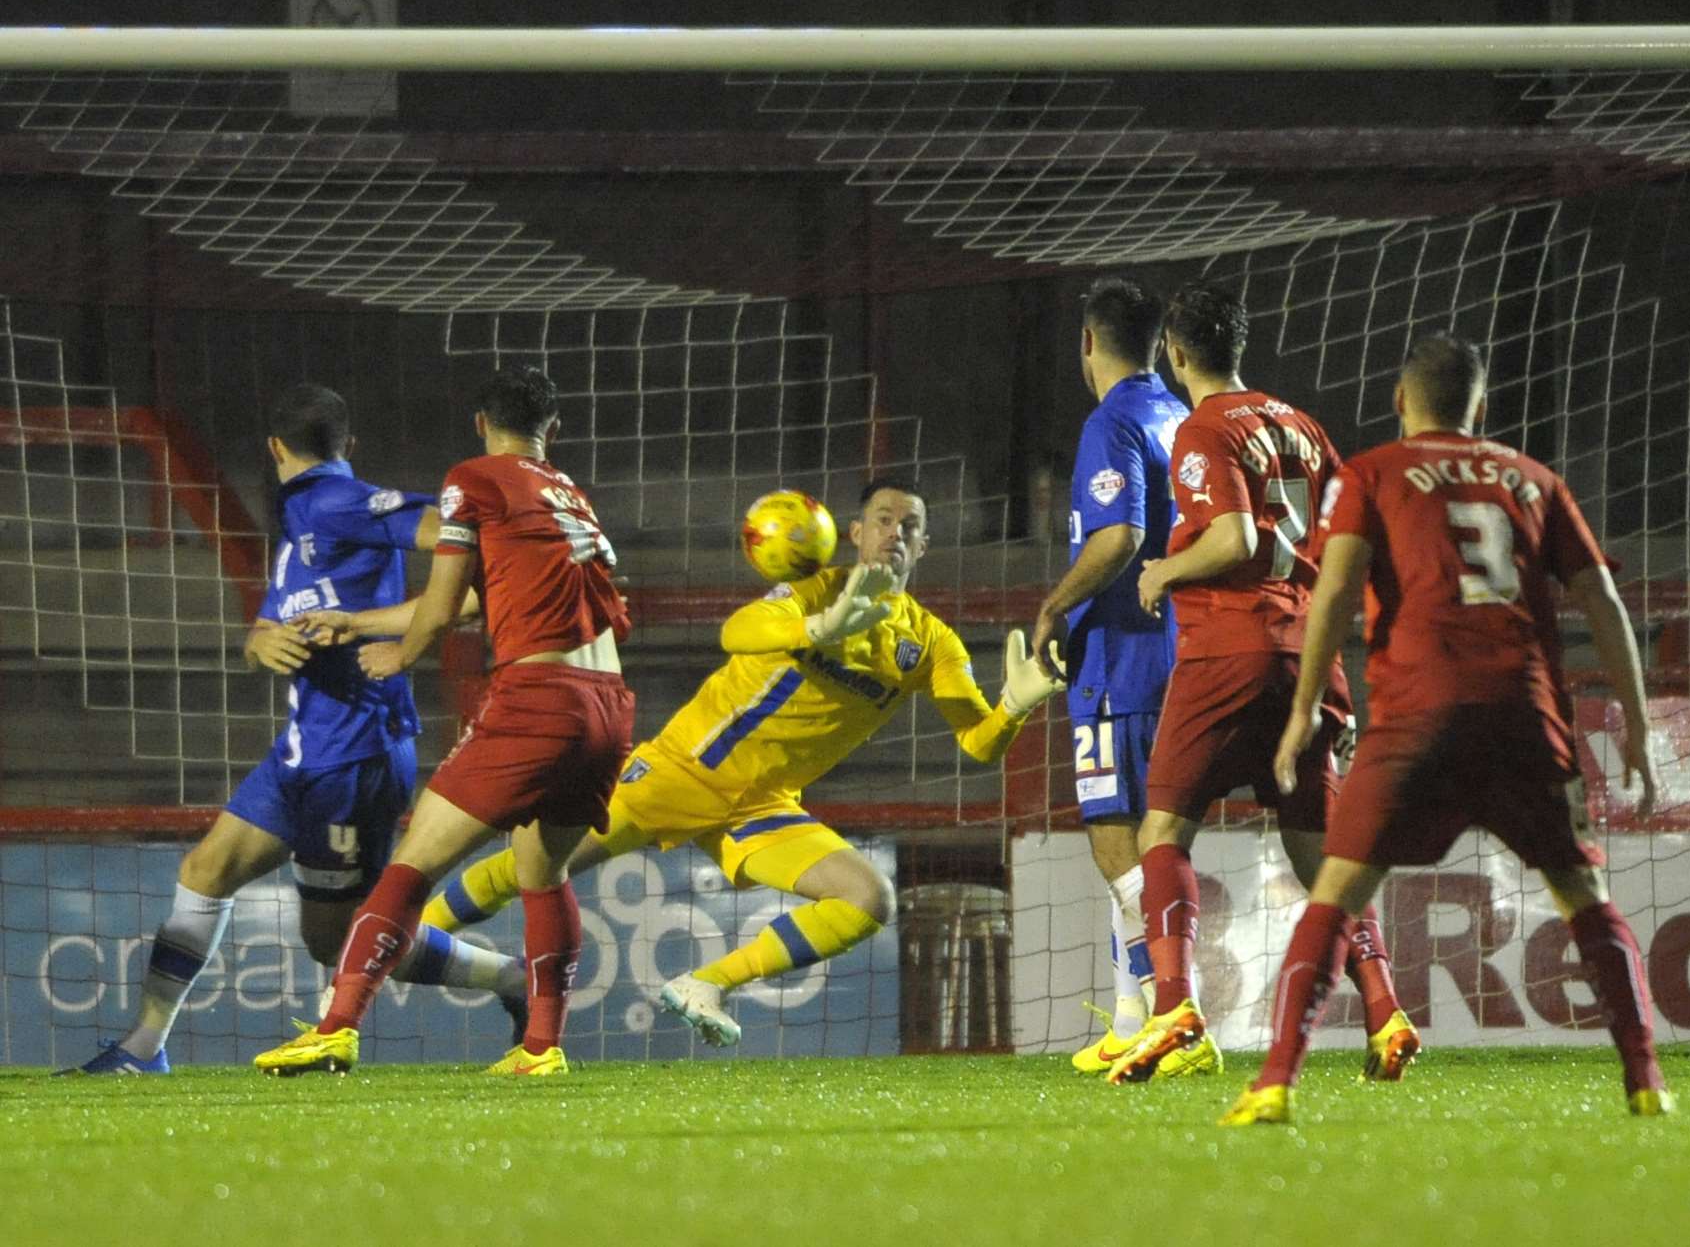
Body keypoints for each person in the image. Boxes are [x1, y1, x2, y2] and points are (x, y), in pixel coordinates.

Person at [417, 478, 1065, 1049]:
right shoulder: (814, 591)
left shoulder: (930, 643)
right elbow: (737, 632)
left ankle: (705, 984)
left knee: (866, 898)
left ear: (924, 546)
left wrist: (1014, 704)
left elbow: (979, 743)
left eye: (912, 525)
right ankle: (411, 934)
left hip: (759, 807)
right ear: (858, 531)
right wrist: (819, 629)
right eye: (886, 519)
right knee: (528, 868)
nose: (898, 532)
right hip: (679, 772)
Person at [1222, 334, 1670, 1125]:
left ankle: (1274, 1084)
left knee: (1335, 893)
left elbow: (1332, 592)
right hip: (1523, 718)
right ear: (1482, 409)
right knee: (1583, 895)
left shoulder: (1371, 473)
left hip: (1417, 718)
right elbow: (1603, 599)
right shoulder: (1534, 480)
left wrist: (1301, 714)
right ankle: (1645, 1081)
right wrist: (1635, 723)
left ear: (1401, 401)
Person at [60, 383, 524, 1075]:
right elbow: (269, 628)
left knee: (337, 943)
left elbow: (444, 527)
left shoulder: (339, 501)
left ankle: (514, 979)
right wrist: (261, 644)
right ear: (348, 443)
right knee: (205, 870)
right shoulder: (301, 524)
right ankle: (143, 1048)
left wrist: (460, 599)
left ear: (273, 447)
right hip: (301, 752)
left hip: (354, 755)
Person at [254, 365, 634, 1078]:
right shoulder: (571, 497)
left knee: (411, 863)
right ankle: (542, 1049)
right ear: (553, 430)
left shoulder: (475, 478)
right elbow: (489, 599)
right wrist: (360, 621)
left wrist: (403, 651)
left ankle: (336, 1028)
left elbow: (444, 600)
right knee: (543, 873)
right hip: (607, 704)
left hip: (538, 698)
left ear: (480, 424)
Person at [1106, 283, 1413, 1085]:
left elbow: (1235, 537)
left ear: (1174, 353)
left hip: (1228, 651)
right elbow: (1357, 539)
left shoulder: (1203, 429)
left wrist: (1164, 570)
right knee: (1319, 853)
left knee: (1164, 831)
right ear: (1237, 346)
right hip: (1304, 656)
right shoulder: (1303, 426)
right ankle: (1385, 1010)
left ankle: (1174, 1007)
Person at [1029, 277, 1192, 1075]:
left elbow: (1117, 537)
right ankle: (1132, 1017)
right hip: (1180, 652)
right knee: (1151, 841)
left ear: (1088, 342)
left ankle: (1172, 1012)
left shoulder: (1113, 420)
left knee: (1115, 843)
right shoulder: (1182, 415)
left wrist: (1053, 608)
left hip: (1120, 660)